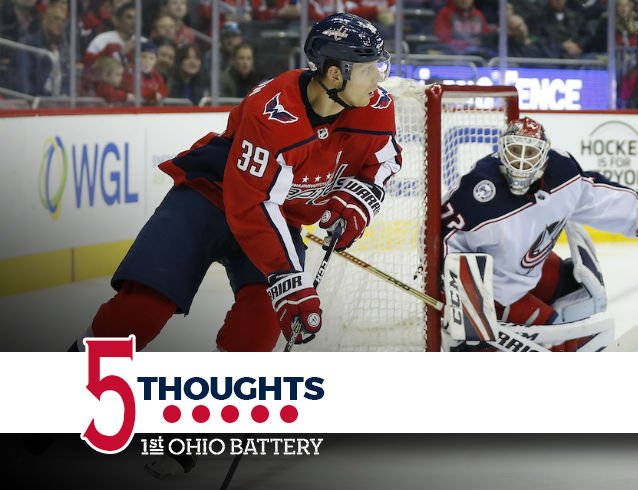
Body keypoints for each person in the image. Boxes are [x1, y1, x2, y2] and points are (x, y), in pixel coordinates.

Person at [70, 13, 399, 353]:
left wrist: (360, 196)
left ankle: (226, 400)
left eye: (379, 65)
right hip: (208, 201)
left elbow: (385, 158)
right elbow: (251, 204)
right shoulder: (273, 113)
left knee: (257, 332)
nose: (378, 78)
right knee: (139, 314)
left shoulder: (376, 105)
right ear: (335, 73)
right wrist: (288, 279)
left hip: (276, 217)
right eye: (368, 69)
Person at [441, 117, 638, 351]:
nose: (522, 162)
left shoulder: (561, 172)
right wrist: (449, 293)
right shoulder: (477, 192)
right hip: (494, 289)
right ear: (501, 152)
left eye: (531, 154)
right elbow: (441, 236)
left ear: (544, 156)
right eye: (514, 151)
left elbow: (598, 199)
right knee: (554, 334)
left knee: (575, 287)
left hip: (524, 270)